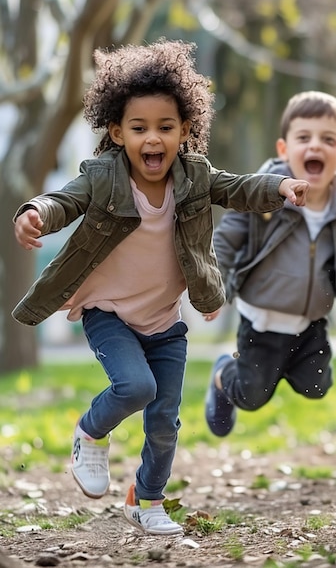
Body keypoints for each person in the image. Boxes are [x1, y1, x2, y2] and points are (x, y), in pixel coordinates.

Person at [12, 40, 308, 535]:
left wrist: (279, 188)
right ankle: (91, 431)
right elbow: (65, 199)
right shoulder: (103, 177)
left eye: (165, 127)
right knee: (137, 387)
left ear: (185, 130)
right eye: (139, 128)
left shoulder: (194, 177)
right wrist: (36, 212)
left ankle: (145, 499)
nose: (153, 139)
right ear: (117, 132)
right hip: (108, 312)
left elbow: (235, 188)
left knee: (165, 423)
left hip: (165, 322)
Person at [204, 90, 336, 437]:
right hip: (261, 320)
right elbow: (227, 238)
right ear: (284, 150)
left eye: (327, 139)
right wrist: (212, 285)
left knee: (317, 386)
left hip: (311, 323)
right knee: (251, 395)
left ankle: (281, 368)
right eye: (303, 138)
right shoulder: (260, 196)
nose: (315, 146)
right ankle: (223, 376)